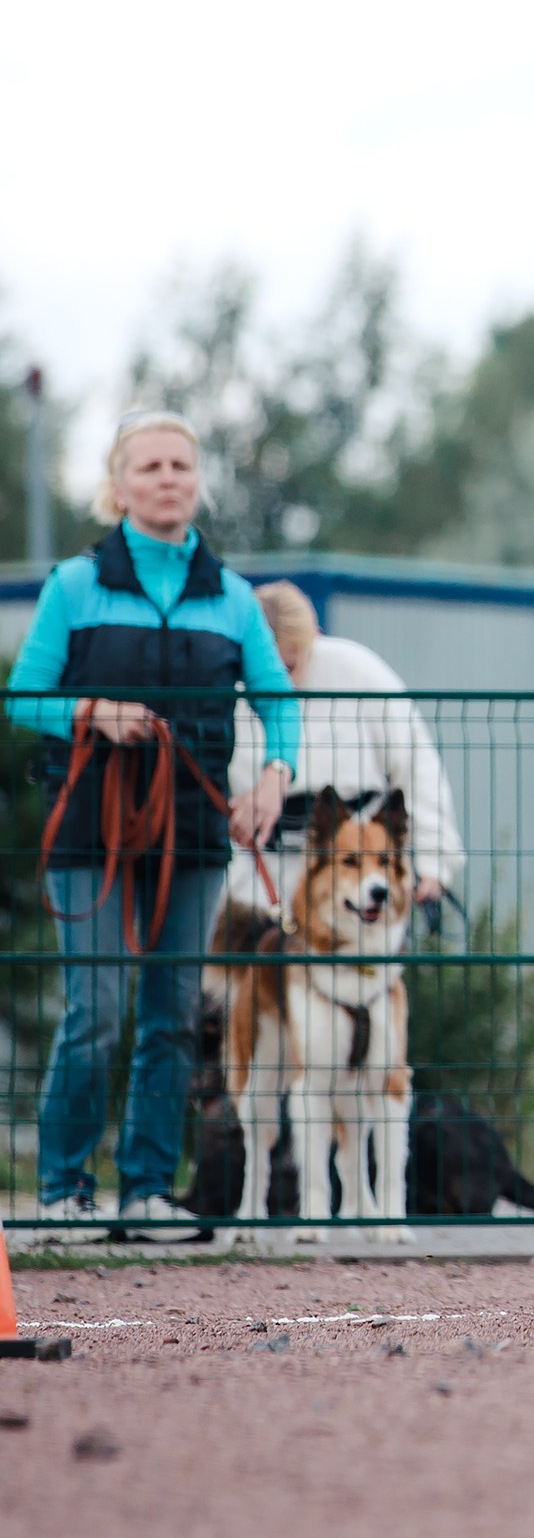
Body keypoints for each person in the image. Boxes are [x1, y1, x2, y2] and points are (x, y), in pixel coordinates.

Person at [4, 411, 297, 1242]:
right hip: (92, 824)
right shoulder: (73, 584)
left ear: (197, 480)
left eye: (181, 464)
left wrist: (273, 779)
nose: (168, 477)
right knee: (94, 1009)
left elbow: (278, 705)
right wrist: (92, 711)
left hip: (194, 829)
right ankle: (64, 1190)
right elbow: (24, 695)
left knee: (171, 1011)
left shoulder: (234, 597)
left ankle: (145, 1189)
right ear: (119, 484)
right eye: (151, 466)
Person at [226, 581, 465, 923]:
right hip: (262, 868)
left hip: (353, 869)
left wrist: (434, 862)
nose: (279, 683)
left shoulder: (358, 671)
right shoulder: (227, 681)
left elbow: (417, 767)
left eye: (290, 668)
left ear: (314, 638)